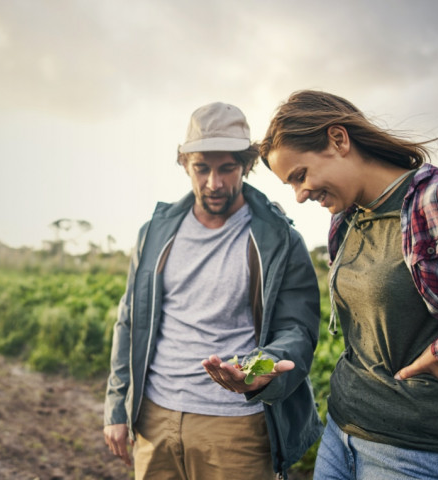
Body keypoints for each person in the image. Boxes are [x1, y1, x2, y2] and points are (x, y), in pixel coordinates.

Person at [103, 102, 323, 480]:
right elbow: (129, 321)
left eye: (227, 168)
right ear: (185, 164)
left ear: (247, 165)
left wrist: (264, 367)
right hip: (154, 416)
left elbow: (297, 331)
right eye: (202, 168)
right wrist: (116, 408)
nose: (214, 183)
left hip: (237, 426)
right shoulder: (154, 233)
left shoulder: (280, 239)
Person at [259, 89, 438, 480]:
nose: (300, 196)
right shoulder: (345, 220)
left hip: (422, 454)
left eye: (300, 176)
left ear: (338, 139)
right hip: (341, 435)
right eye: (291, 185)